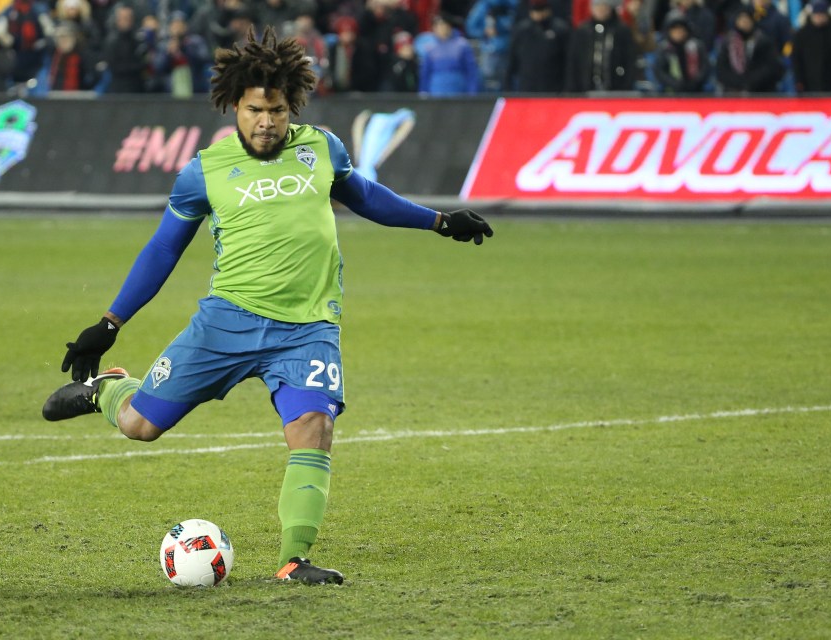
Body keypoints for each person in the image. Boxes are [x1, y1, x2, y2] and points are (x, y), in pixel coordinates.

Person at [41, 26, 493, 586]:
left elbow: (368, 197)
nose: (266, 122)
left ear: (290, 106)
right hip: (225, 322)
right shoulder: (202, 172)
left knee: (312, 426)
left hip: (308, 328)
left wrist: (441, 221)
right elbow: (163, 249)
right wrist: (108, 323)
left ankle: (293, 559)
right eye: (255, 109)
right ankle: (108, 389)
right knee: (139, 426)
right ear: (235, 105)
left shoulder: (322, 147)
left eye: (277, 110)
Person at [564, 0, 635, 92]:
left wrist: (627, 85)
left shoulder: (622, 30)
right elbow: (574, 60)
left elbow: (630, 59)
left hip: (616, 88)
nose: (600, 9)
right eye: (597, 6)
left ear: (610, 8)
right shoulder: (583, 31)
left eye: (604, 6)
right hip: (586, 88)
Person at [715, 6, 784, 93]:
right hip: (733, 92)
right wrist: (738, 82)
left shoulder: (764, 42)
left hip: (760, 91)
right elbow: (721, 69)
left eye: (747, 20)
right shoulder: (728, 43)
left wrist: (750, 82)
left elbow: (771, 67)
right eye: (741, 20)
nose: (744, 23)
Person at [506, 0, 570, 92]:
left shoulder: (560, 29)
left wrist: (567, 88)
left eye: (541, 10)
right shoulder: (522, 30)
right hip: (527, 85)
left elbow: (568, 61)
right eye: (535, 11)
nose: (539, 15)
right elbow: (512, 59)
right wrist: (508, 85)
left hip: (554, 86)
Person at [791, 0, 831, 93]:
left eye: (821, 14)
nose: (819, 17)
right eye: (816, 14)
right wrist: (799, 81)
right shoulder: (802, 35)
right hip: (808, 86)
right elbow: (796, 59)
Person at [418, 12, 479, 95]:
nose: (441, 28)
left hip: (458, 92)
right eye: (437, 26)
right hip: (436, 93)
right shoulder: (430, 48)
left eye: (443, 25)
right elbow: (425, 74)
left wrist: (472, 92)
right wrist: (423, 92)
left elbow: (471, 72)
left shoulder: (462, 45)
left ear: (449, 26)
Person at [653, 9, 711, 93]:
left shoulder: (697, 46)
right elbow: (659, 72)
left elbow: (705, 68)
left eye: (681, 28)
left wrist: (695, 82)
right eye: (674, 29)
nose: (678, 32)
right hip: (671, 93)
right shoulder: (664, 49)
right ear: (669, 31)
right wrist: (675, 84)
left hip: (697, 92)